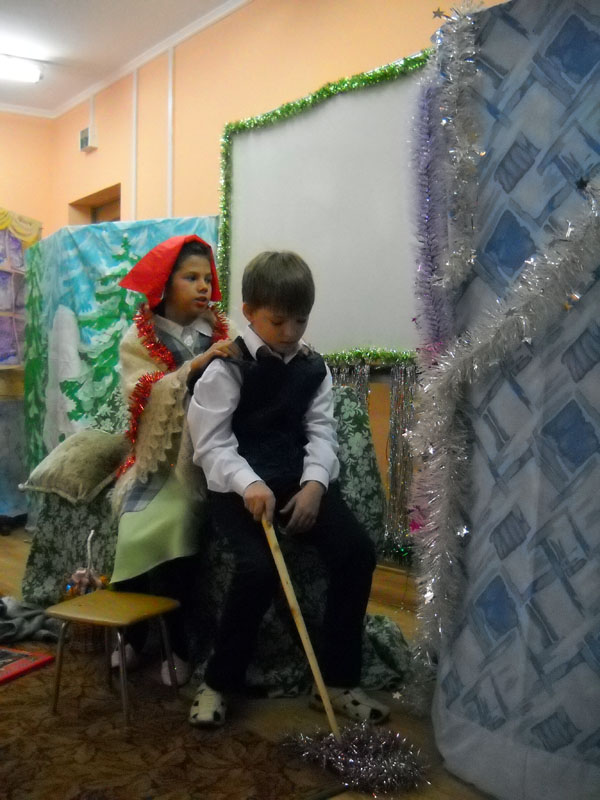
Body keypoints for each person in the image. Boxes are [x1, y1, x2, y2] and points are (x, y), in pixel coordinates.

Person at [186, 250, 390, 726]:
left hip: (297, 482)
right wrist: (249, 483)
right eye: (278, 321)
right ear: (249, 311)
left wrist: (316, 484)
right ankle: (218, 682)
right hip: (237, 488)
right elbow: (211, 445)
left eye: (300, 321)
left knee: (356, 552)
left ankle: (337, 681)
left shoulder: (314, 367)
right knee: (256, 570)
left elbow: (321, 433)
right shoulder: (226, 366)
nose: (290, 332)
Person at [110, 234, 236, 686]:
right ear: (165, 283)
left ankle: (178, 644)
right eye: (190, 277)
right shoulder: (139, 338)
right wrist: (193, 368)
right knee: (132, 521)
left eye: (207, 278)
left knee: (179, 525)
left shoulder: (220, 334)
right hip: (159, 458)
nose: (203, 286)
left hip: (205, 457)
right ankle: (131, 633)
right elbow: (141, 392)